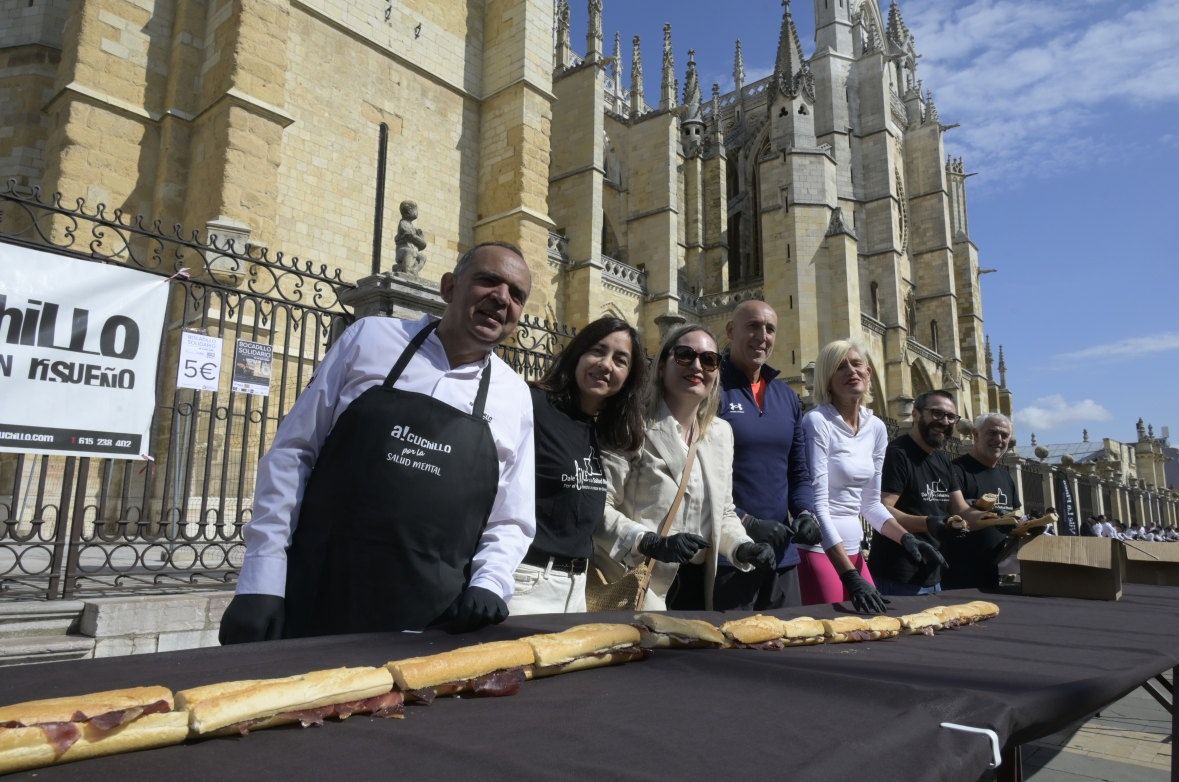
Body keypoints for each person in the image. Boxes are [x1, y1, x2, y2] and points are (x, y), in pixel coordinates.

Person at [219, 241, 536, 642]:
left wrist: (490, 582)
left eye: (517, 294)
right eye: (489, 280)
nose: (501, 298)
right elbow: (293, 452)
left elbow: (511, 516)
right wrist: (261, 579)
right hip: (314, 596)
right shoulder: (370, 338)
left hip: (430, 622)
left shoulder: (514, 395)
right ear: (449, 287)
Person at [594, 324, 775, 611]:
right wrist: (648, 542)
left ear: (716, 373)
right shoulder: (633, 422)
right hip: (634, 582)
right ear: (663, 365)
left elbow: (723, 512)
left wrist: (742, 546)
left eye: (709, 360)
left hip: (697, 588)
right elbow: (597, 506)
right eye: (684, 355)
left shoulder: (720, 433)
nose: (697, 365)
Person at [507, 317, 647, 615]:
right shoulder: (534, 405)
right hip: (524, 583)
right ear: (577, 354)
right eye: (598, 351)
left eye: (620, 360)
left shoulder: (599, 429)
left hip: (576, 590)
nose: (606, 364)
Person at [798, 339, 945, 612]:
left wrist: (906, 538)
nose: (851, 371)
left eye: (857, 364)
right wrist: (850, 576)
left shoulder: (876, 427)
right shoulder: (817, 422)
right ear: (826, 379)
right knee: (834, 634)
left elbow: (871, 504)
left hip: (855, 551)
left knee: (873, 625)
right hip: (820, 550)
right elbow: (817, 507)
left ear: (868, 373)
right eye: (840, 367)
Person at [714, 300, 819, 611]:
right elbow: (698, 476)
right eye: (753, 326)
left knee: (788, 652)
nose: (762, 335)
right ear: (731, 331)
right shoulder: (712, 387)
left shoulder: (786, 397)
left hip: (782, 557)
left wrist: (804, 513)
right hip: (730, 556)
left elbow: (798, 472)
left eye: (770, 329)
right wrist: (747, 521)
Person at [868, 389, 984, 597]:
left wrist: (998, 519)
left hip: (933, 574)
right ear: (915, 414)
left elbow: (962, 510)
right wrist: (928, 523)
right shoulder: (898, 454)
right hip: (898, 576)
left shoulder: (942, 460)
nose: (945, 421)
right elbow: (883, 508)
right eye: (937, 413)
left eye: (951, 417)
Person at [943, 413, 1021, 590]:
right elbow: (953, 515)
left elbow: (1015, 517)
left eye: (1004, 435)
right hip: (960, 575)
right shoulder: (956, 470)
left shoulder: (1005, 477)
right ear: (975, 435)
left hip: (998, 572)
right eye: (992, 433)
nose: (998, 439)